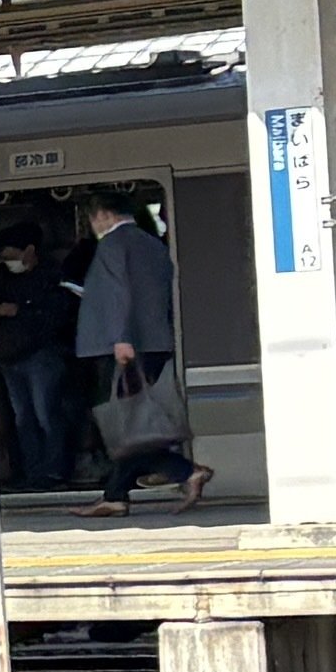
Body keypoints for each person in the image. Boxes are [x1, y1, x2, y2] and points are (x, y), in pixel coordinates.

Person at [77, 191, 207, 513]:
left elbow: (117, 292)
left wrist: (120, 339)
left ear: (104, 214)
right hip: (154, 343)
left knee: (123, 424)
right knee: (131, 423)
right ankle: (115, 496)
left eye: (93, 218)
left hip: (123, 347)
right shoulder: (153, 244)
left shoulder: (112, 245)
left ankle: (186, 472)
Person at [0, 221, 85, 494]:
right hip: (10, 357)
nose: (7, 263)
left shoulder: (52, 277)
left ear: (29, 250)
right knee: (22, 419)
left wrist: (18, 311)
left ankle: (54, 471)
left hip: (43, 354)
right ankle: (32, 472)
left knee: (46, 414)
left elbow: (58, 315)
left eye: (10, 256)